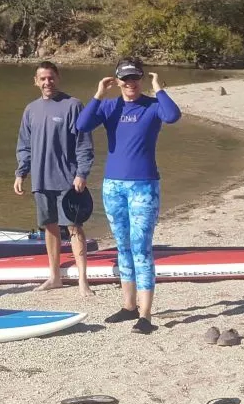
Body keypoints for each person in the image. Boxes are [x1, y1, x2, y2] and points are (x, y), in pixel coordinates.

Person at [76, 58, 182, 335]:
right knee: (122, 247)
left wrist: (159, 88)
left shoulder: (152, 106)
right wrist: (99, 93)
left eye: (135, 78)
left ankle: (146, 315)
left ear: (141, 79)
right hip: (113, 186)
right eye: (125, 79)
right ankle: (128, 305)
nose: (130, 83)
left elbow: (172, 116)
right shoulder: (110, 107)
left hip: (143, 187)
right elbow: (82, 124)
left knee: (141, 249)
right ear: (117, 80)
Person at [14, 61, 95, 296]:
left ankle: (83, 280)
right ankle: (55, 276)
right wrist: (21, 172)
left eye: (51, 77)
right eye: (42, 78)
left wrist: (82, 173)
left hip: (67, 181)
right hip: (40, 181)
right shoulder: (31, 109)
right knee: (49, 228)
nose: (47, 82)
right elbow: (24, 145)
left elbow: (84, 144)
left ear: (57, 78)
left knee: (74, 227)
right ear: (36, 81)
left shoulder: (73, 105)